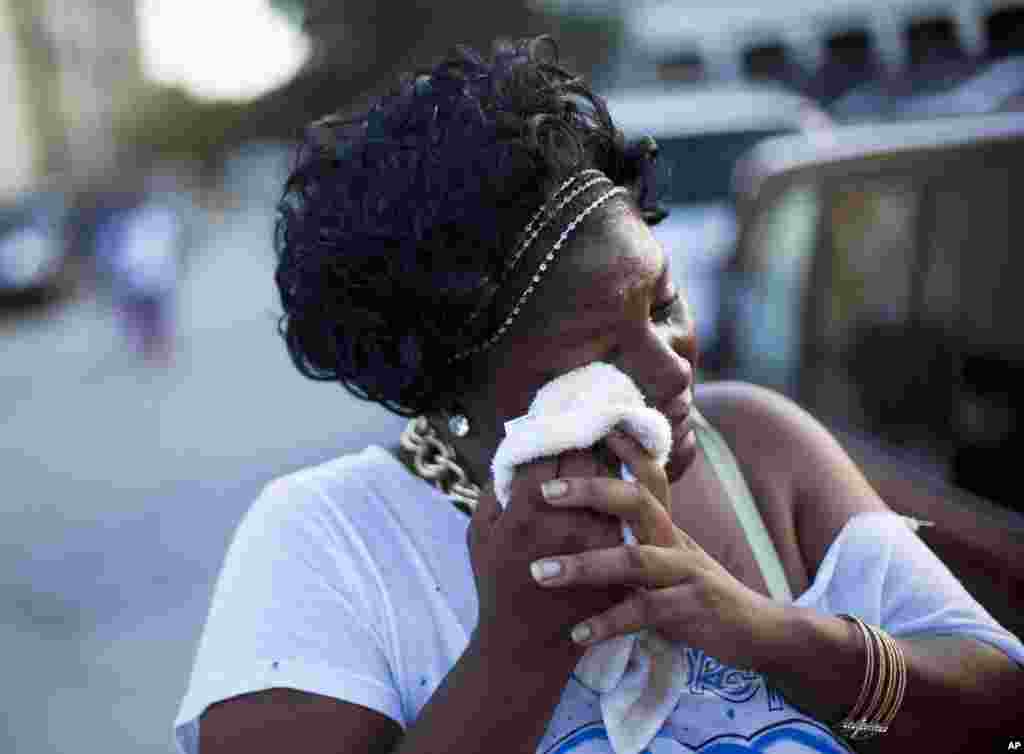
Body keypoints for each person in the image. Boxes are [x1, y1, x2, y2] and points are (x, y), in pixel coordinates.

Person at [173, 36, 1024, 754]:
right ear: (456, 387)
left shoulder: (756, 452)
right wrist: (522, 645)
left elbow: (1001, 697)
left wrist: (757, 629)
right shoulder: (329, 540)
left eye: (665, 305)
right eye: (598, 356)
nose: (672, 368)